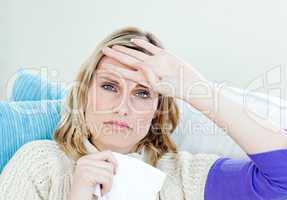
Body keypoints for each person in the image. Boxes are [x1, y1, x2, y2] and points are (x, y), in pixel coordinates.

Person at [1, 26, 287, 200]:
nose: (122, 107)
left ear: (156, 111)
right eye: (110, 86)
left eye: (142, 93)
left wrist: (196, 87)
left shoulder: (181, 177)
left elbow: (282, 179)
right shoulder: (39, 164)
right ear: (85, 93)